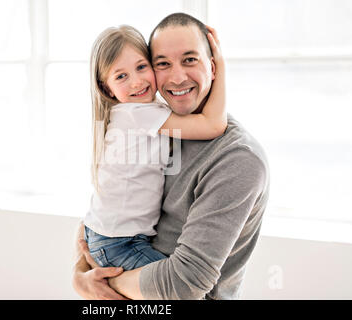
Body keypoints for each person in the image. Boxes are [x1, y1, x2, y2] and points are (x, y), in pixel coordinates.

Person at [73, 12, 269, 300]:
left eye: (190, 60)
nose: (177, 77)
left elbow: (182, 285)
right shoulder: (155, 125)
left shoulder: (237, 159)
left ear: (212, 66)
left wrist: (101, 283)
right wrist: (80, 274)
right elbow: (104, 206)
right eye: (163, 63)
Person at [83, 24, 226, 272]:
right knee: (181, 284)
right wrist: (220, 66)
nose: (137, 82)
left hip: (110, 234)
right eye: (121, 76)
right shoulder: (137, 114)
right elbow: (213, 125)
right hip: (119, 242)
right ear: (107, 88)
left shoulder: (146, 112)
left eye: (141, 67)